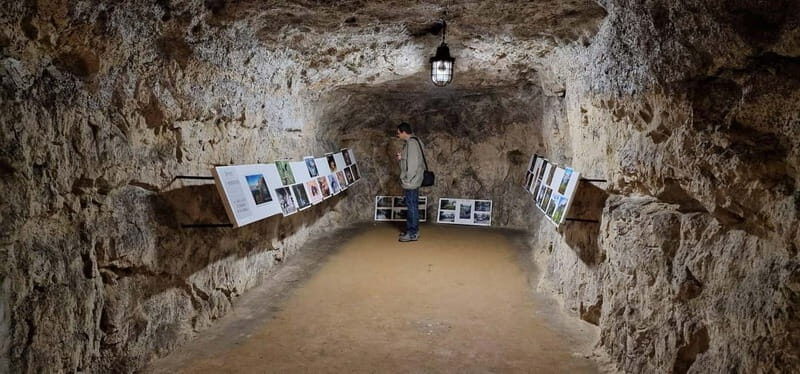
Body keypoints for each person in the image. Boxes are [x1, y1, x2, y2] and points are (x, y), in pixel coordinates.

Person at [396, 122, 426, 242]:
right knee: (412, 204)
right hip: (415, 179)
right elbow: (411, 159)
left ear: (404, 132)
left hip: (412, 180)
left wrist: (407, 179)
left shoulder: (412, 144)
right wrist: (401, 158)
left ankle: (412, 233)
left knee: (411, 206)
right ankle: (411, 229)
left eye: (398, 133)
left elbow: (412, 164)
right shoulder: (415, 141)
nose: (397, 135)